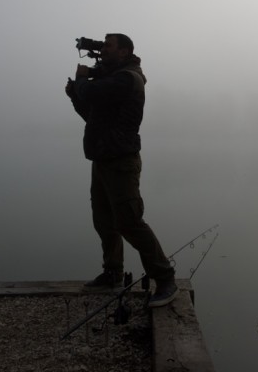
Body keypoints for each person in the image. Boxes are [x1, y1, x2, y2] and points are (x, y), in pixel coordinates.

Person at [65, 33, 177, 307]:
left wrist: (81, 81)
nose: (102, 49)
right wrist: (74, 95)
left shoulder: (128, 78)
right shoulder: (112, 78)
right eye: (102, 45)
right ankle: (112, 272)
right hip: (102, 158)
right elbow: (91, 114)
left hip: (121, 160)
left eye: (108, 45)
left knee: (129, 222)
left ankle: (165, 279)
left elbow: (90, 91)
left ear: (124, 52)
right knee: (104, 220)